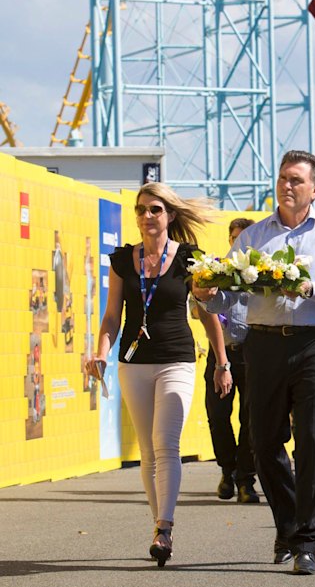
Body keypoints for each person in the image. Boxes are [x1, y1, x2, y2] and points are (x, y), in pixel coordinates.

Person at [193, 150, 315, 575]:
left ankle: (306, 540)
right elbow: (231, 292)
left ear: (314, 189)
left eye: (296, 180)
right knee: (263, 443)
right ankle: (287, 524)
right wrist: (206, 293)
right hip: (264, 346)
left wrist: (310, 286)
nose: (287, 186)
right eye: (283, 179)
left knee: (310, 442)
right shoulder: (253, 237)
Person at [86, 182, 232, 566]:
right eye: (140, 210)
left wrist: (222, 362)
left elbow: (206, 313)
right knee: (148, 451)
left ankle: (165, 528)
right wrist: (101, 354)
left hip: (177, 359)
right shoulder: (121, 261)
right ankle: (158, 523)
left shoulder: (188, 258)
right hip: (133, 362)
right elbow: (112, 315)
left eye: (154, 209)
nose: (146, 216)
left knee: (165, 443)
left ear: (169, 215)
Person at [201, 216, 259, 504]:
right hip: (221, 350)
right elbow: (200, 307)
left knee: (250, 418)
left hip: (253, 352)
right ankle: (228, 469)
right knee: (217, 415)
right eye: (234, 237)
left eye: (244, 236)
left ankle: (247, 480)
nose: (239, 242)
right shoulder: (216, 272)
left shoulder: (262, 273)